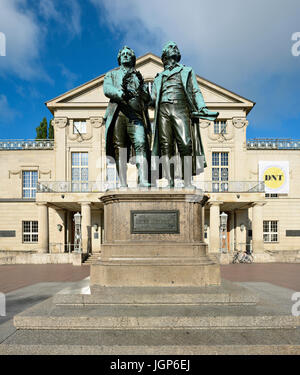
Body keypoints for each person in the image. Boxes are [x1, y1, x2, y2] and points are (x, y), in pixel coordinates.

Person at [151, 41, 218, 188]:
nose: (174, 47)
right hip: (162, 110)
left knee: (186, 143)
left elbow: (195, 91)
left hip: (180, 107)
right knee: (165, 146)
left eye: (175, 47)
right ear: (164, 56)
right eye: (170, 47)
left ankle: (187, 181)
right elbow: (152, 99)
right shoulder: (159, 77)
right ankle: (169, 182)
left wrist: (202, 106)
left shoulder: (186, 71)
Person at [103, 46, 151, 188]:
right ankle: (123, 183)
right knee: (120, 149)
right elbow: (107, 89)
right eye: (123, 54)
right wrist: (120, 94)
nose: (125, 56)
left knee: (141, 143)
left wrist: (144, 94)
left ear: (133, 58)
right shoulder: (111, 75)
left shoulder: (138, 77)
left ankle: (143, 180)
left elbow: (147, 98)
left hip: (136, 116)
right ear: (119, 58)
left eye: (128, 54)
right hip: (119, 113)